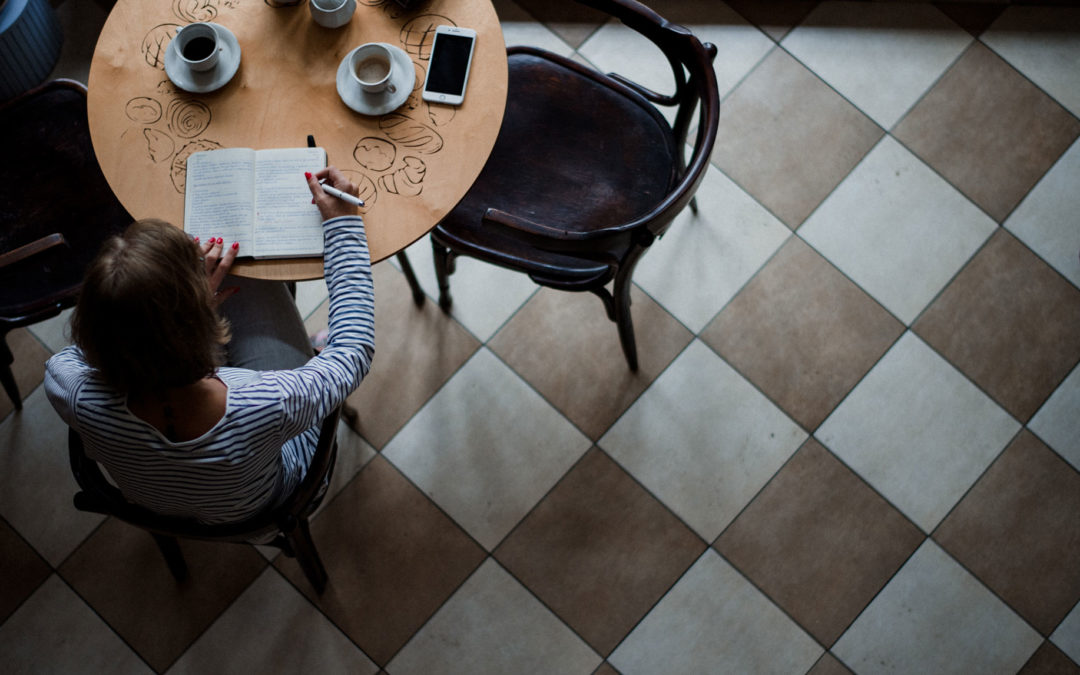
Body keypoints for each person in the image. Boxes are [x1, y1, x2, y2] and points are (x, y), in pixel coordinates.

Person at [45, 167, 373, 525]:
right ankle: (304, 348)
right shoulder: (269, 401)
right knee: (240, 271)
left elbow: (75, 351)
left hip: (161, 505)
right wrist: (344, 228)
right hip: (277, 497)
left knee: (228, 269)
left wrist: (170, 315)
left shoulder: (68, 387)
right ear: (194, 328)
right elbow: (351, 354)